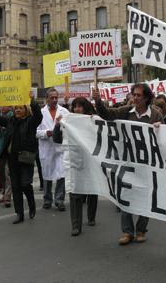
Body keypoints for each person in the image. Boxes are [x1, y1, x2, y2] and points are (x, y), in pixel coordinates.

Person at [93, 83, 163, 246]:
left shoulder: (155, 114)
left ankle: (140, 230)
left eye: (139, 95)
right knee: (125, 195)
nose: (135, 98)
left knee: (145, 195)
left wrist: (161, 128)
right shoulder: (125, 111)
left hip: (147, 163)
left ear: (146, 97)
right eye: (134, 95)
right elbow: (107, 115)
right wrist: (98, 101)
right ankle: (127, 231)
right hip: (126, 160)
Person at [0, 93, 43, 224]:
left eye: (21, 108)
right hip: (12, 159)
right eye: (16, 108)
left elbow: (38, 116)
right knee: (16, 186)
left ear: (26, 110)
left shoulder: (30, 122)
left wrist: (32, 101)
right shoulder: (10, 121)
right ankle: (19, 213)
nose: (18, 110)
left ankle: (31, 205)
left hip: (25, 157)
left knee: (25, 184)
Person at [53, 97, 98, 236]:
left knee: (92, 189)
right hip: (74, 160)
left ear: (86, 107)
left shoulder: (93, 120)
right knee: (74, 191)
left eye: (80, 106)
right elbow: (57, 139)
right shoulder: (68, 121)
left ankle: (91, 217)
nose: (77, 109)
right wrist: (57, 125)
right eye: (75, 106)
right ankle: (76, 225)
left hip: (90, 160)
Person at [36, 88, 70, 211]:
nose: (55, 100)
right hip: (47, 148)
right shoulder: (40, 113)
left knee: (62, 174)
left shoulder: (64, 111)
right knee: (47, 175)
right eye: (52, 97)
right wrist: (46, 133)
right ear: (47, 99)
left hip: (60, 148)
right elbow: (35, 132)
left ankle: (59, 200)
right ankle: (47, 199)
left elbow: (69, 128)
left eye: (56, 97)